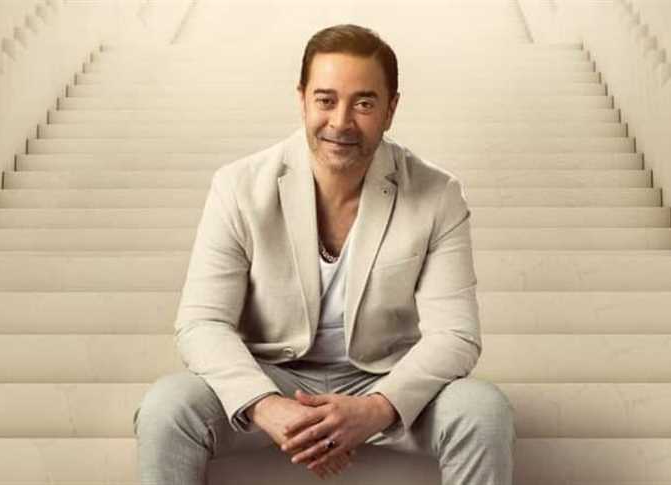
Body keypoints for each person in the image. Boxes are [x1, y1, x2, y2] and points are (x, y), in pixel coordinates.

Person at [133, 23, 516, 484]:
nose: (341, 122)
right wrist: (266, 405)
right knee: (167, 408)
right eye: (326, 100)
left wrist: (376, 408)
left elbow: (455, 335)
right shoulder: (237, 187)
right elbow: (202, 323)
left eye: (364, 103)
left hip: (383, 376)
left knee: (482, 410)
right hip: (273, 374)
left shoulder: (438, 194)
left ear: (391, 108)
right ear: (302, 100)